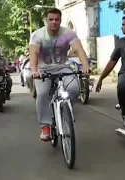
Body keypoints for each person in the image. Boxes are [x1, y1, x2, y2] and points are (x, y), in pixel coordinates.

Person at [29, 8, 89, 141]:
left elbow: (79, 49)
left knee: (74, 88)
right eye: (51, 19)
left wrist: (85, 66)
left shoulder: (68, 33)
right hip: (43, 70)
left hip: (63, 67)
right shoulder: (37, 35)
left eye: (57, 19)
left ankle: (64, 111)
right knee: (43, 94)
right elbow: (33, 54)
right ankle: (45, 126)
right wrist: (34, 70)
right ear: (46, 20)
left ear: (60, 20)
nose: (54, 22)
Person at [96, 15, 125, 129]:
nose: (121, 28)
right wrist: (101, 78)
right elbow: (112, 61)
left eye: (123, 25)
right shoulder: (121, 42)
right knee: (123, 86)